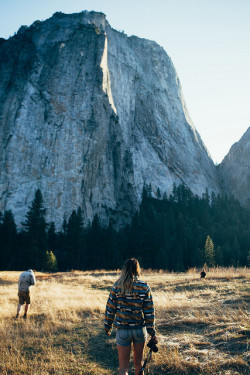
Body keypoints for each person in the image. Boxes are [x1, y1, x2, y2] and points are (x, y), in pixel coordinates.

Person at [104, 258, 158, 375]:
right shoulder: (144, 286)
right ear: (137, 270)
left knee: (123, 368)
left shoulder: (117, 286)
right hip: (139, 330)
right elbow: (149, 312)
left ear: (124, 270)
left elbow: (110, 309)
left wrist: (108, 327)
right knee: (139, 364)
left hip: (123, 330)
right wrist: (152, 332)